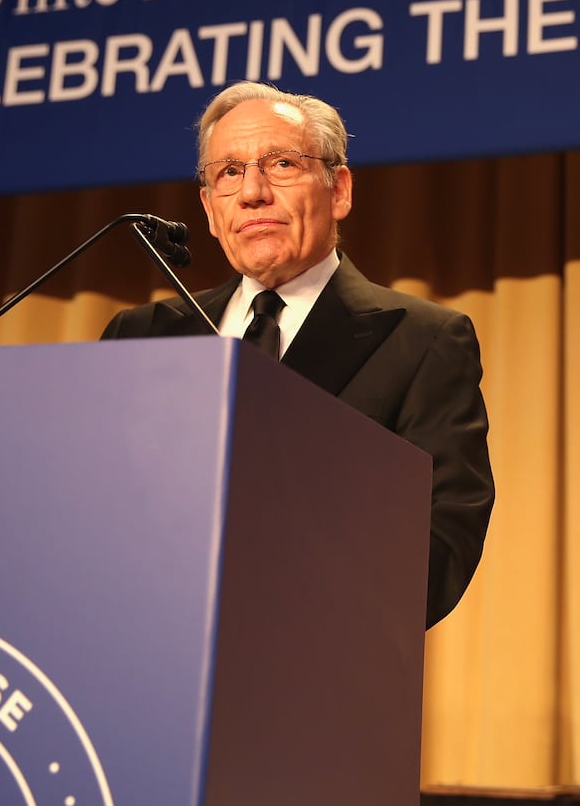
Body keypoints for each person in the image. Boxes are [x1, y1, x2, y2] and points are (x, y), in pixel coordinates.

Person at [102, 81, 494, 628]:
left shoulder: (424, 341)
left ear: (339, 191)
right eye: (228, 173)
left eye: (281, 163)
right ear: (210, 211)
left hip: (310, 669)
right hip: (136, 658)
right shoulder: (142, 336)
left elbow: (441, 544)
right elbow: (95, 514)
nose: (252, 193)